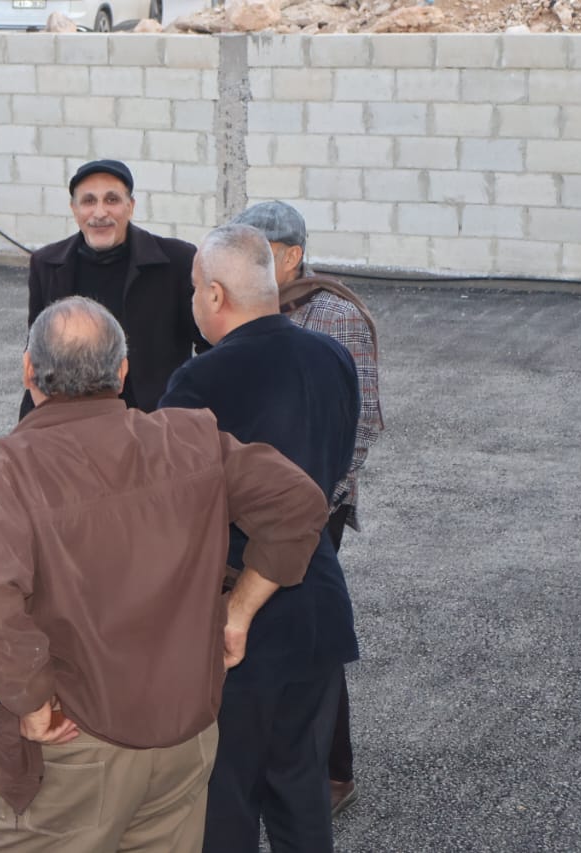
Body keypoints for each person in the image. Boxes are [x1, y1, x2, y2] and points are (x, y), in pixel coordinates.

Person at [0, 296, 329, 853]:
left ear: (27, 370)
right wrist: (237, 614)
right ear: (122, 372)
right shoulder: (190, 439)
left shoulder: (0, 473)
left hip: (75, 746)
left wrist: (32, 701)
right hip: (185, 741)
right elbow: (300, 503)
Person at [159, 225, 360, 853]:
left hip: (236, 618)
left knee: (224, 802)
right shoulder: (333, 358)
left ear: (215, 294)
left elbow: (172, 511)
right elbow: (334, 471)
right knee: (302, 794)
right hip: (318, 601)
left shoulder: (200, 383)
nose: (193, 300)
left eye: (195, 288)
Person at [231, 200, 385, 816]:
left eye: (259, 253)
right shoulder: (249, 307)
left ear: (292, 255)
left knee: (311, 634)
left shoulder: (334, 315)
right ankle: (276, 759)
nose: (246, 263)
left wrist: (314, 503)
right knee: (265, 629)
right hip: (251, 504)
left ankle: (333, 772)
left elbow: (359, 424)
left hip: (314, 506)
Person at [21, 158, 203, 416]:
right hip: (71, 418)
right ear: (74, 209)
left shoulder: (176, 261)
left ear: (130, 206)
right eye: (88, 201)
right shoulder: (47, 264)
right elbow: (37, 349)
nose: (100, 213)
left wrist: (186, 406)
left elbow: (208, 345)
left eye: (112, 200)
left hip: (152, 420)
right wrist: (30, 423)